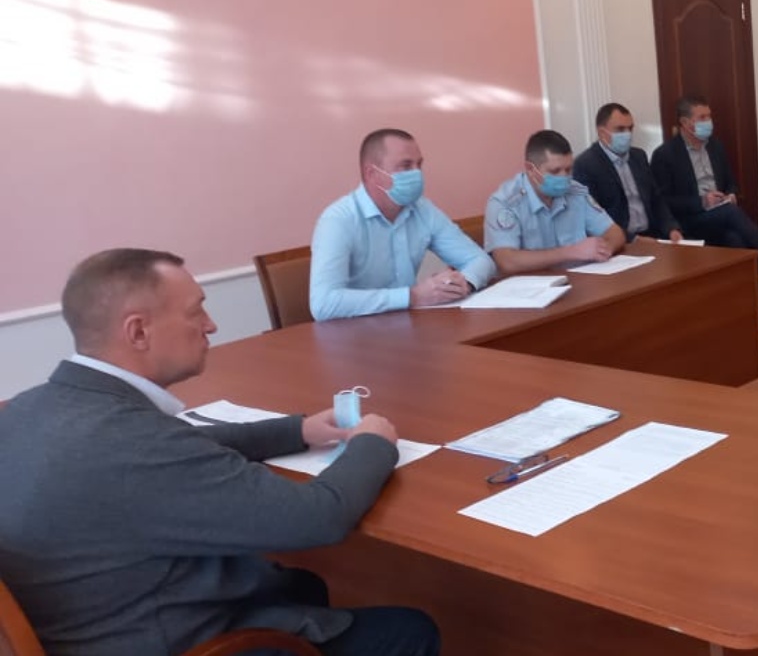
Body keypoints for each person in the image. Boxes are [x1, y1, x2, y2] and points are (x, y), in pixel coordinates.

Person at [0, 249, 438, 656]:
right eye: (196, 311)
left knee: (303, 585)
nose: (211, 325)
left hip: (88, 623)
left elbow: (179, 446)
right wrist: (372, 444)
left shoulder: (26, 409)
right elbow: (319, 517)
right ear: (138, 331)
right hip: (170, 638)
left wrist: (298, 431)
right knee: (409, 629)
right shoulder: (140, 444)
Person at [310, 128, 494, 321]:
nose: (417, 173)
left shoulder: (423, 209)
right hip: (354, 332)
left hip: (407, 326)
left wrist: (463, 283)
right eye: (406, 166)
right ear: (372, 174)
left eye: (419, 165)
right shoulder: (338, 220)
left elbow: (481, 260)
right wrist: (412, 296)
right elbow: (323, 304)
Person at [651, 94, 758, 301]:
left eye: (709, 116)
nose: (708, 122)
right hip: (691, 219)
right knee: (730, 213)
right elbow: (663, 202)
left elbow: (730, 182)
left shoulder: (715, 146)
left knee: (735, 241)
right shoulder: (665, 155)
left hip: (721, 215)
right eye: (702, 117)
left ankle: (756, 308)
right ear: (685, 122)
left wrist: (731, 194)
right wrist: (702, 201)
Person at [484, 130, 625, 273]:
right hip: (535, 283)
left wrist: (602, 249)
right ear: (530, 169)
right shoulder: (505, 203)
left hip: (580, 278)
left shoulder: (576, 192)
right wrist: (571, 252)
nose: (564, 177)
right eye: (555, 171)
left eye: (568, 169)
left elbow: (615, 233)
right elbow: (507, 261)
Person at [572, 102, 684, 244]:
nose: (627, 134)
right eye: (620, 129)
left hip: (653, 235)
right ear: (601, 132)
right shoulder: (586, 164)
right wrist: (634, 239)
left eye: (630, 128)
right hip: (621, 241)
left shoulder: (639, 156)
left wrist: (671, 228)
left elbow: (656, 199)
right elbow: (594, 217)